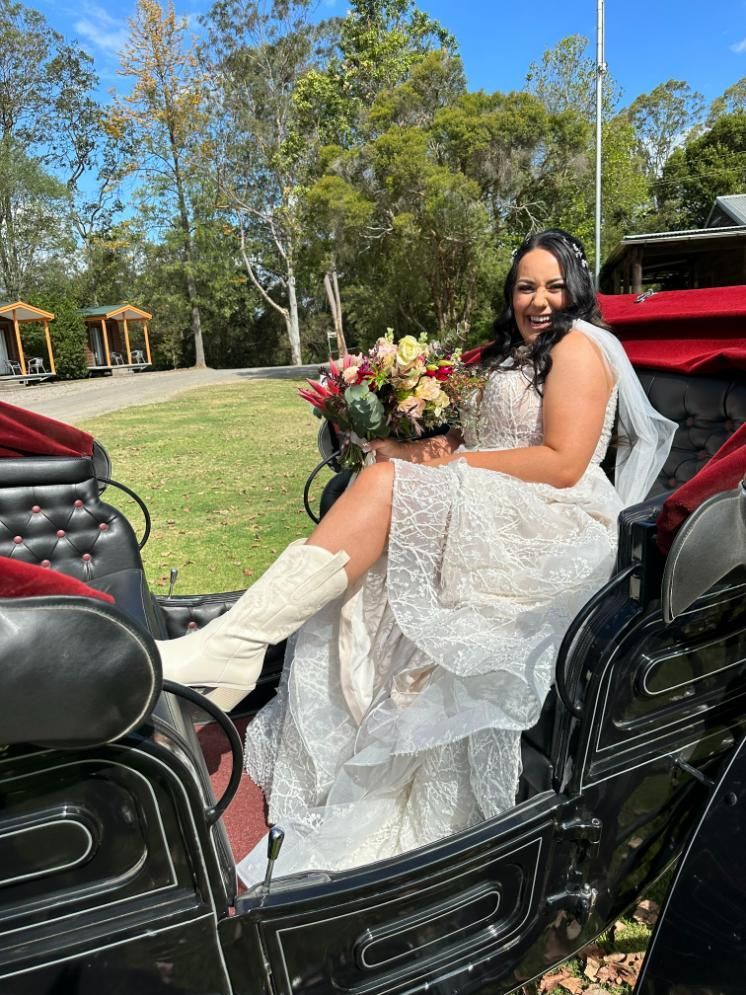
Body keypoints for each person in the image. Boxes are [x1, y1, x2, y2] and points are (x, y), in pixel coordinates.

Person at [157, 229, 676, 884]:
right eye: (525, 285)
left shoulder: (579, 348)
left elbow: (564, 461)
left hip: (555, 515)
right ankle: (239, 643)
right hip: (499, 494)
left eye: (553, 285)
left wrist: (453, 467)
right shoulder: (513, 356)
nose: (538, 300)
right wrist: (404, 450)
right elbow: (464, 439)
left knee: (382, 491)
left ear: (577, 290)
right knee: (376, 478)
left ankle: (237, 642)